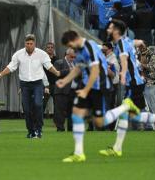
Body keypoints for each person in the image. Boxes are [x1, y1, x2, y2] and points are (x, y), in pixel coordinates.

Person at [57, 30, 140, 163]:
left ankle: (125, 107)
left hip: (99, 87)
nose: (71, 48)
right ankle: (79, 153)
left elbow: (95, 71)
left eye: (71, 45)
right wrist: (65, 80)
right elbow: (78, 67)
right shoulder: (79, 50)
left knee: (99, 122)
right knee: (76, 114)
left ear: (75, 39)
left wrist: (85, 90)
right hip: (87, 86)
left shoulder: (89, 47)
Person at [99, 19, 155, 157]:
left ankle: (116, 145)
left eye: (110, 28)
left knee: (124, 110)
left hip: (133, 84)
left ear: (116, 31)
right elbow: (139, 42)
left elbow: (123, 59)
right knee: (137, 116)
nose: (108, 30)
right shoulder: (126, 41)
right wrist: (138, 45)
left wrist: (123, 74)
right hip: (136, 84)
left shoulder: (122, 43)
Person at [0, 34, 60, 138]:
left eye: (31, 43)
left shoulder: (42, 54)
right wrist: (1, 74)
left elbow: (48, 66)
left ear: (34, 43)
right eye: (27, 43)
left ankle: (39, 130)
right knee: (26, 109)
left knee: (38, 104)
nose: (29, 45)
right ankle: (30, 131)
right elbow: (11, 67)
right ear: (25, 44)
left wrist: (57, 72)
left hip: (38, 84)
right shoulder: (18, 54)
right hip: (25, 85)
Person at [53, 48, 76, 132]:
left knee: (72, 111)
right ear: (67, 55)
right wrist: (69, 70)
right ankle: (60, 128)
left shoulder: (75, 63)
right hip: (61, 91)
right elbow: (56, 74)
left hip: (73, 91)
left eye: (74, 57)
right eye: (72, 57)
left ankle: (71, 128)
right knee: (60, 110)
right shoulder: (59, 62)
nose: (73, 58)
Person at [137, 44, 155, 121]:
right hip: (139, 83)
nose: (140, 48)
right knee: (141, 104)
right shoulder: (137, 54)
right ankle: (142, 123)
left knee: (151, 103)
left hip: (150, 82)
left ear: (146, 46)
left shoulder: (151, 54)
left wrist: (141, 65)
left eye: (142, 46)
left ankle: (151, 123)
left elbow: (153, 67)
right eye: (139, 46)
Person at [42, 42, 58, 113]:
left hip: (55, 84)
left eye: (51, 47)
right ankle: (38, 121)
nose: (50, 49)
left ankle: (56, 122)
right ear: (46, 49)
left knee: (57, 103)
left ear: (53, 49)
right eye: (48, 47)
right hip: (45, 85)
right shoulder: (43, 60)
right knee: (43, 104)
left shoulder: (57, 59)